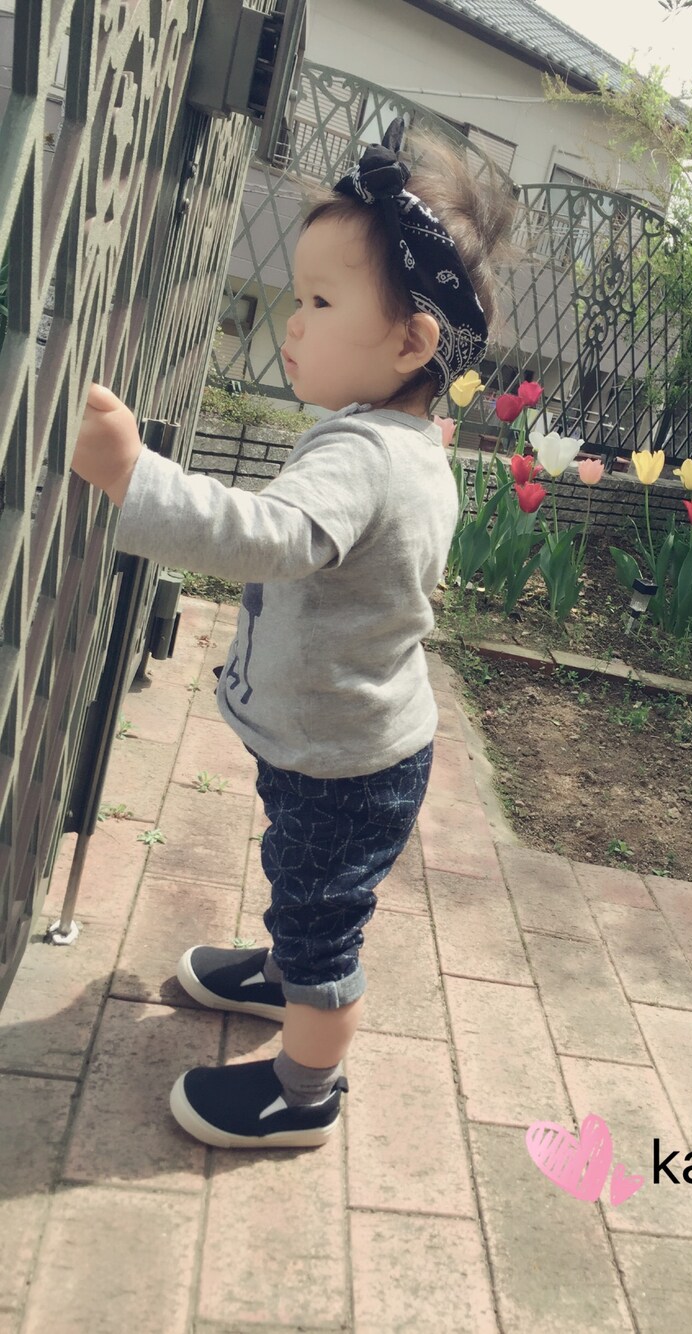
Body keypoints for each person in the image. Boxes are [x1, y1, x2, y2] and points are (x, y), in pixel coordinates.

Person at [70, 120, 515, 1149]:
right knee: (302, 879)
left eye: (320, 302)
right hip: (342, 742)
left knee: (324, 925)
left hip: (343, 762)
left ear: (412, 344)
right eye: (297, 296)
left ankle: (303, 1093)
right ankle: (282, 972)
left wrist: (134, 477)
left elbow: (270, 536)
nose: (292, 320)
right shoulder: (402, 439)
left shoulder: (365, 457)